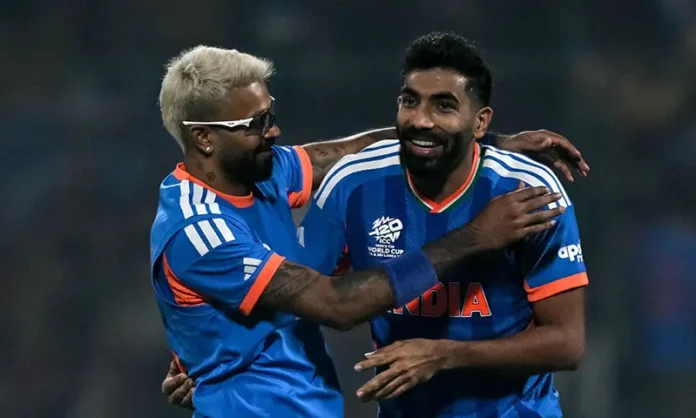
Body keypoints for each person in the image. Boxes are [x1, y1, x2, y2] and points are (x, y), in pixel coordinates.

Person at [153, 44, 589, 417]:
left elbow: (344, 151)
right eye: (256, 124)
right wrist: (474, 237)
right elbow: (336, 304)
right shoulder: (199, 231)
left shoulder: (264, 171)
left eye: (270, 115)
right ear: (205, 139)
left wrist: (479, 141)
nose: (275, 131)